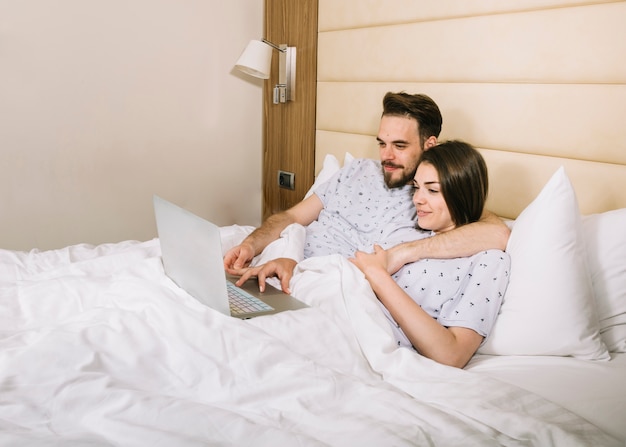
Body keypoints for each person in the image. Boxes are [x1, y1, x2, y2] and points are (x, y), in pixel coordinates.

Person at [224, 92, 510, 293]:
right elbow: (291, 217)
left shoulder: (434, 201)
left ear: (429, 145)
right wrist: (251, 244)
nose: (386, 156)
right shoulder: (357, 169)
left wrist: (403, 253)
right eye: (381, 143)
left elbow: (497, 233)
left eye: (399, 146)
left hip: (316, 287)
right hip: (277, 263)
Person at [350, 141, 510, 368]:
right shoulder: (410, 224)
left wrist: (378, 277)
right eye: (417, 187)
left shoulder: (488, 261)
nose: (417, 199)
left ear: (462, 194)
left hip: (357, 332)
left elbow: (452, 354)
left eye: (432, 190)